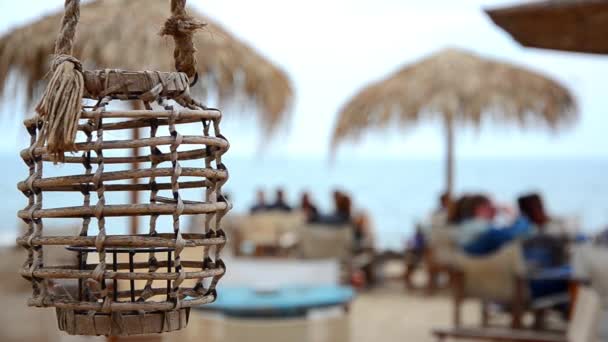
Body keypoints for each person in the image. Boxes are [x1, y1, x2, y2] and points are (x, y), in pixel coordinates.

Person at [457, 194, 532, 256]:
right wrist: (517, 216)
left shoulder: (468, 225)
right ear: (481, 208)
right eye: (491, 207)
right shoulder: (476, 225)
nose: (495, 211)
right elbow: (512, 234)